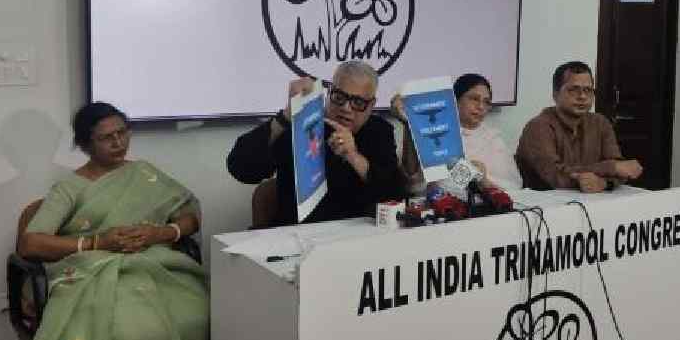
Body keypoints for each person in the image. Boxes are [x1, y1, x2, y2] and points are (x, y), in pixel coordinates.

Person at [16, 102, 208, 340]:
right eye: (107, 137)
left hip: (158, 266)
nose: (118, 142)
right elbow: (30, 244)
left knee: (201, 317)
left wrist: (160, 233)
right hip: (93, 275)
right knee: (131, 336)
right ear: (86, 144)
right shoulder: (69, 188)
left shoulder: (145, 174)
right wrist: (97, 243)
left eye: (122, 132)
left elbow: (191, 216)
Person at [227, 61, 405, 225]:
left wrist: (353, 156)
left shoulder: (379, 131)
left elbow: (394, 195)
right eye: (339, 96)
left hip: (353, 236)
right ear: (329, 92)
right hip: (296, 233)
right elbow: (241, 168)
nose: (346, 108)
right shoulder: (302, 123)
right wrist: (286, 117)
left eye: (358, 102)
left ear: (371, 105)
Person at [515, 61, 643, 192]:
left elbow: (622, 170)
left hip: (595, 199)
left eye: (588, 90)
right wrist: (610, 168)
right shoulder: (538, 127)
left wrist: (604, 183)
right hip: (544, 201)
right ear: (555, 94)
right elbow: (555, 175)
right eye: (573, 90)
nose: (582, 96)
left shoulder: (600, 122)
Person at [393, 73, 523, 191]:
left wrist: (483, 180)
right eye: (474, 99)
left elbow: (514, 186)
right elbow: (413, 182)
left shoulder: (494, 139)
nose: (481, 107)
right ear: (455, 100)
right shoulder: (435, 131)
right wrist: (408, 122)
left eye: (486, 102)